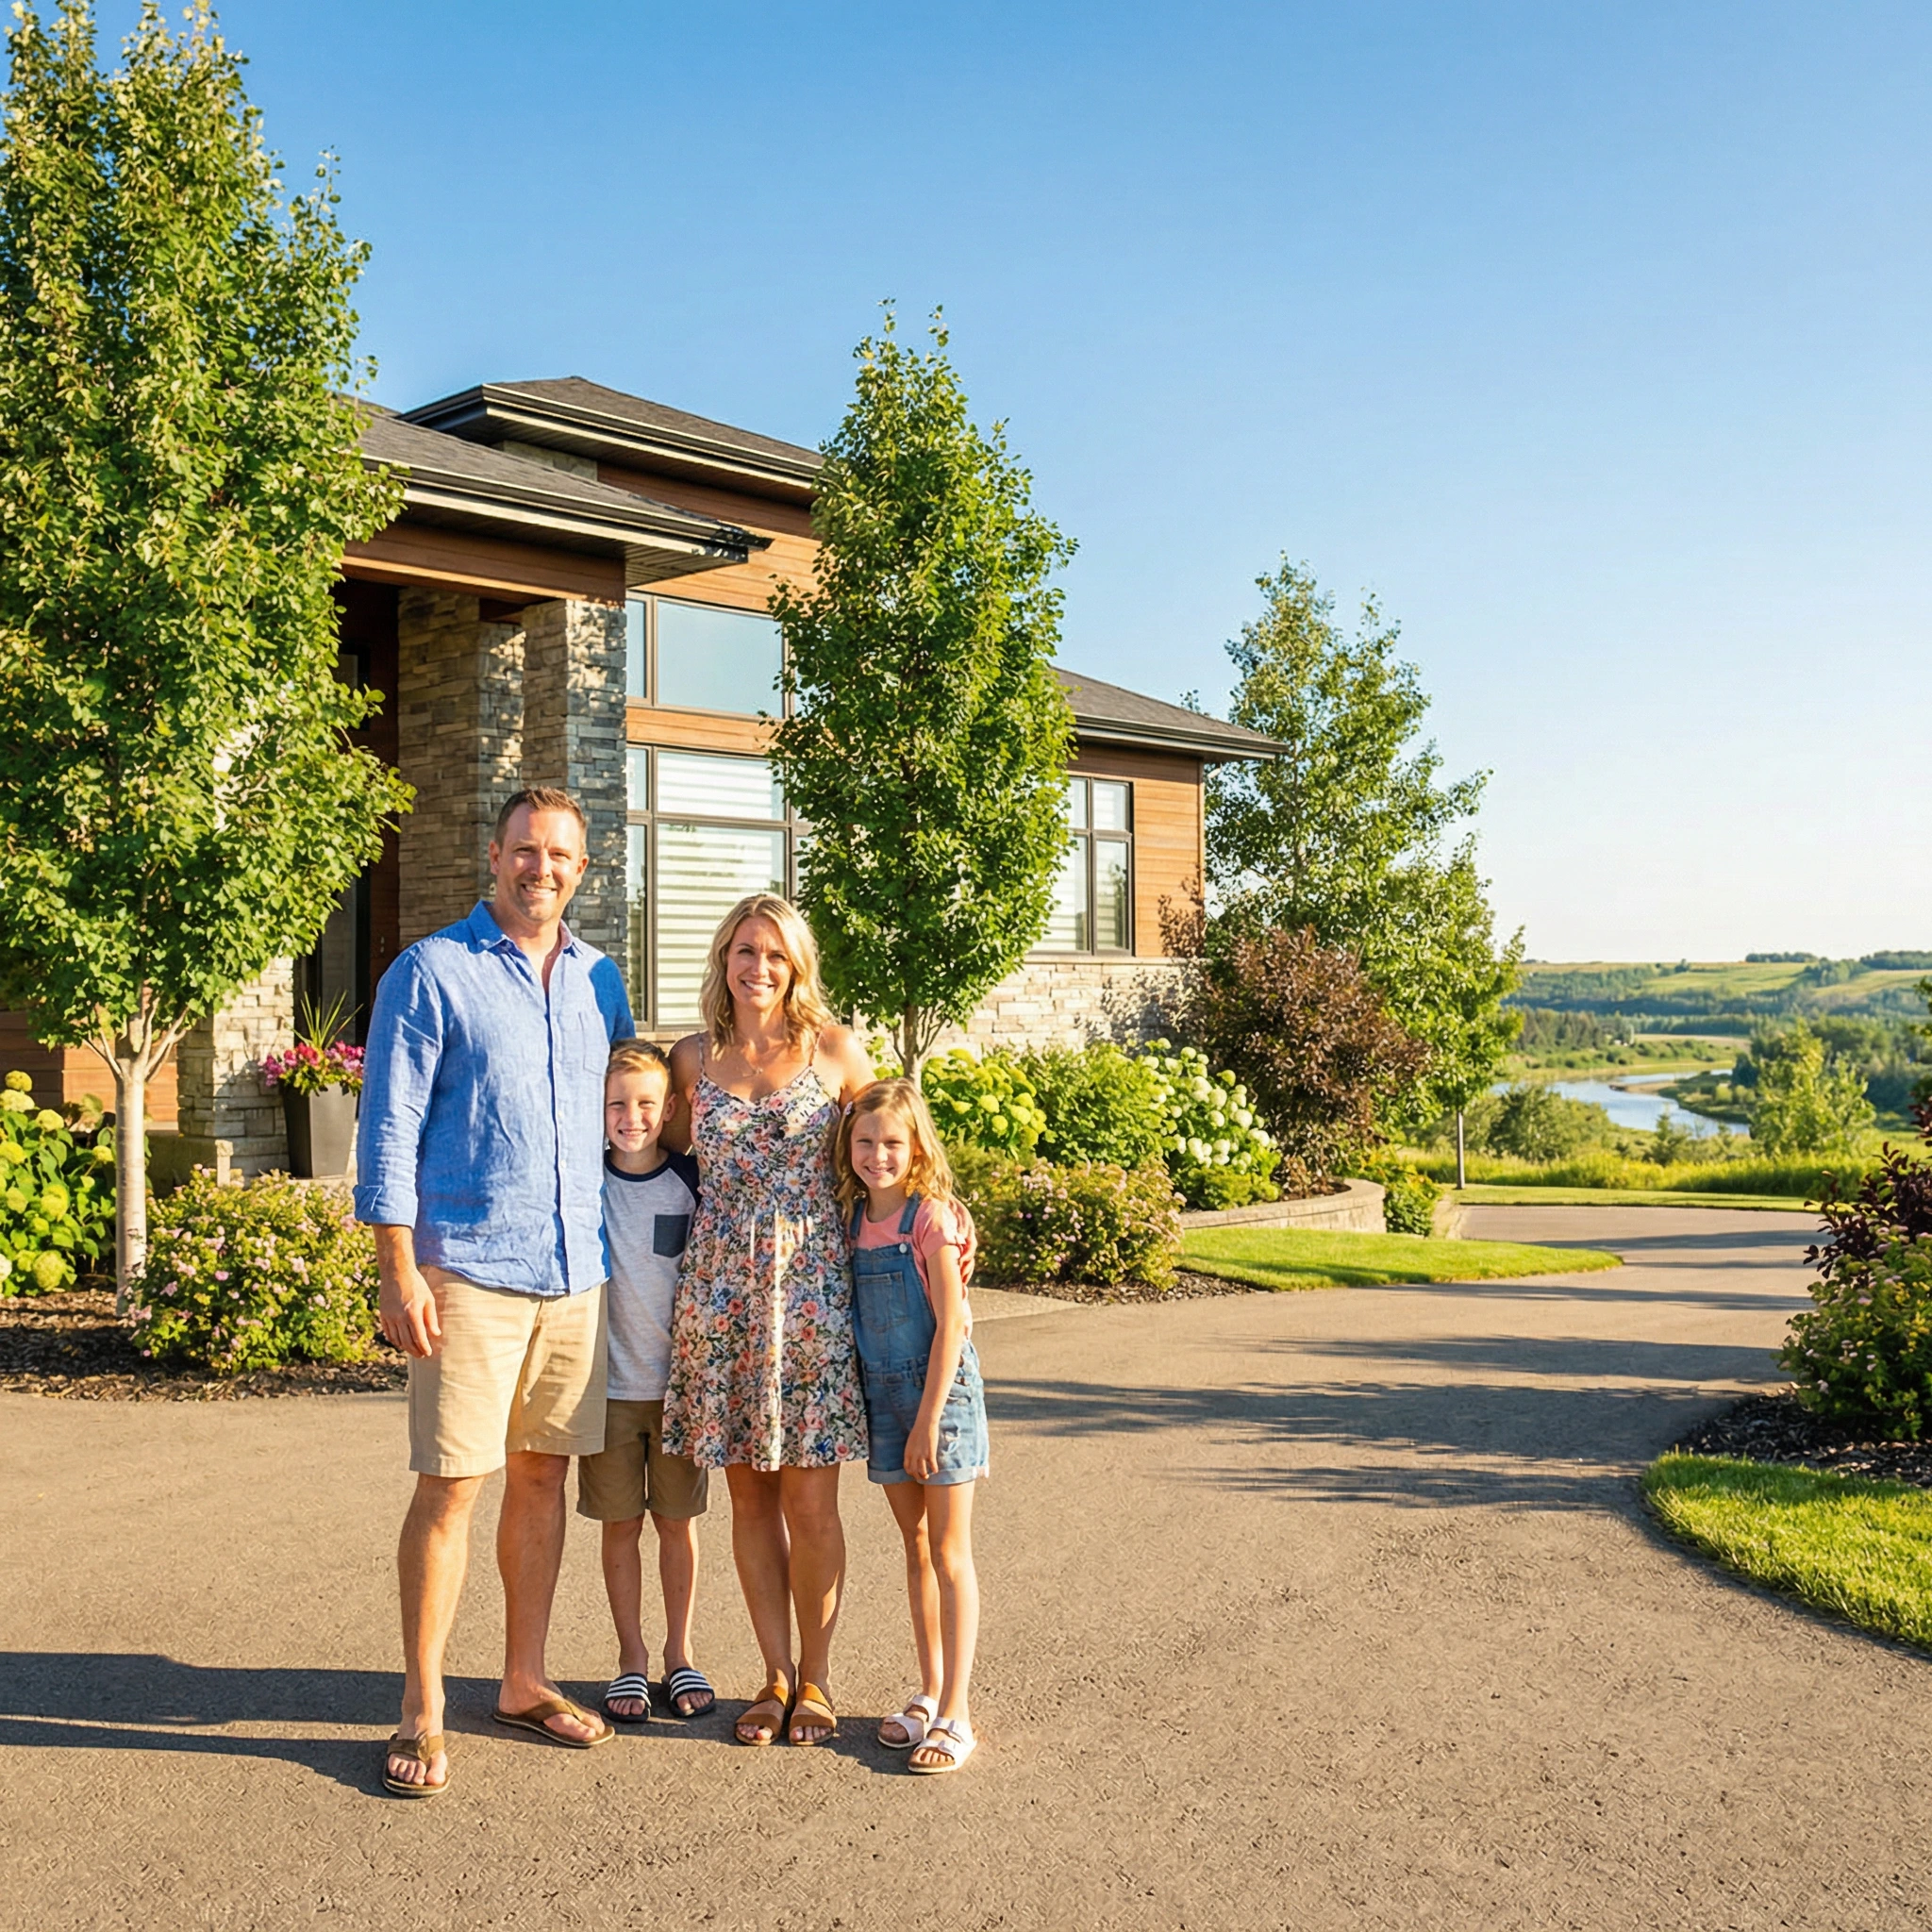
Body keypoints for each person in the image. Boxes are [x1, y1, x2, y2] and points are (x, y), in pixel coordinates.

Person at [355, 787, 633, 1799]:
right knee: (450, 1484)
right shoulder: (431, 971)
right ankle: (422, 1704)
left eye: (560, 854)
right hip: (467, 1269)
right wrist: (395, 1266)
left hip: (575, 1275)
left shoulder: (603, 980)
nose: (541, 868)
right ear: (494, 852)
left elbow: (635, 1116)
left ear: (582, 867)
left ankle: (522, 1677)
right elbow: (386, 1126)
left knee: (539, 1479)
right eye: (525, 850)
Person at [659, 893, 874, 1747]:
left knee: (813, 1503)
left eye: (776, 955)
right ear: (724, 958)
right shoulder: (690, 1058)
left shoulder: (832, 1051)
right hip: (719, 1298)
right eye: (746, 950)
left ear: (796, 967)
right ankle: (774, 1673)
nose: (759, 967)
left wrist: (943, 1219)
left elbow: (896, 1140)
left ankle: (817, 1680)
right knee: (749, 1499)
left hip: (811, 1292)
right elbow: (649, 1151)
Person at [832, 1078, 987, 1774]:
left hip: (940, 1400)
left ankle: (958, 1712)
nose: (877, 1155)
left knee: (951, 1553)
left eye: (893, 1143)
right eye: (865, 1142)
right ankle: (927, 1691)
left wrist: (927, 1419)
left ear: (917, 1146)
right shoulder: (853, 1216)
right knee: (915, 1545)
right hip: (883, 1398)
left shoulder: (931, 1218)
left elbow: (952, 1321)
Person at [576, 1038, 717, 1725]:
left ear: (667, 1112)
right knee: (619, 1527)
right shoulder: (585, 1182)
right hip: (605, 1392)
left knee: (677, 1525)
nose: (630, 1116)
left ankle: (677, 1651)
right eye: (615, 1104)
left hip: (679, 1392)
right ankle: (630, 1659)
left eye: (644, 1104)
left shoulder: (691, 1181)